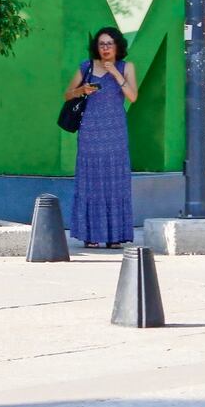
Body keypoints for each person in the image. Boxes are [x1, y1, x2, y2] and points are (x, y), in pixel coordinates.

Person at [63, 26, 138, 248]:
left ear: (117, 46)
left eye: (109, 44)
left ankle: (116, 236)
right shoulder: (85, 67)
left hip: (115, 131)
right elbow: (67, 94)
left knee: (117, 180)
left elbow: (133, 96)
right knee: (91, 180)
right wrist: (82, 90)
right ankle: (91, 235)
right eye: (101, 44)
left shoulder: (126, 67)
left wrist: (115, 73)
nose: (105, 48)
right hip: (90, 131)